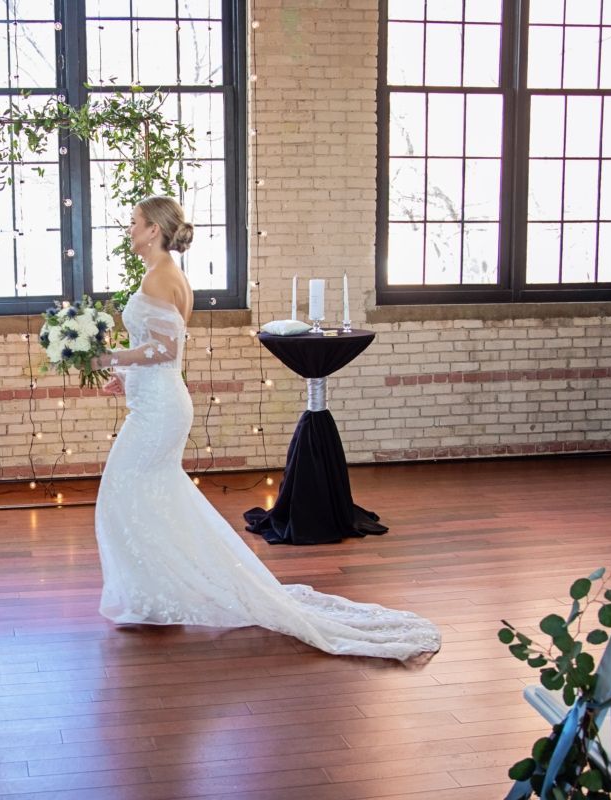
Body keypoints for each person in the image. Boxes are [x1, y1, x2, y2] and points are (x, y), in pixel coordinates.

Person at [88, 196, 440, 660]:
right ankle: (159, 592)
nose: (128, 229)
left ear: (153, 229)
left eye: (134, 222)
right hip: (158, 401)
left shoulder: (159, 277)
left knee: (122, 492)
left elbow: (165, 351)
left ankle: (167, 589)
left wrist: (109, 357)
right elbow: (156, 348)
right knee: (149, 495)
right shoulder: (166, 275)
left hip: (159, 410)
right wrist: (126, 375)